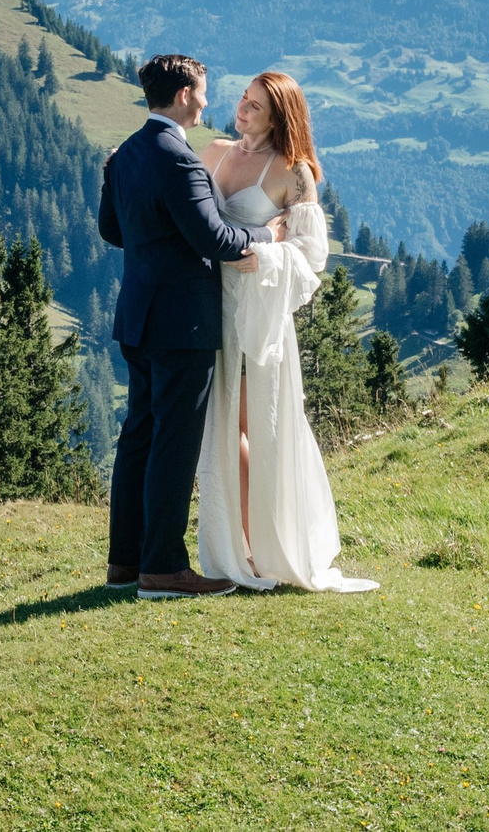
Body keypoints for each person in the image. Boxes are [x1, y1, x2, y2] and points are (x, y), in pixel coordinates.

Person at [98, 54, 277, 599]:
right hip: (182, 324)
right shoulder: (179, 159)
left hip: (138, 315)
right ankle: (163, 568)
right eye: (201, 91)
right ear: (182, 95)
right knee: (174, 443)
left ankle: (125, 562)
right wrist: (267, 237)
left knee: (139, 435)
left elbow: (113, 230)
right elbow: (214, 240)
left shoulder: (126, 152)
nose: (206, 100)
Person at [191, 71, 378, 593]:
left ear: (279, 117)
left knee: (264, 429)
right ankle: (241, 547)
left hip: (258, 313)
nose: (242, 108)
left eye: (255, 105)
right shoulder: (213, 153)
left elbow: (311, 254)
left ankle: (273, 545)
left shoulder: (294, 173)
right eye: (243, 99)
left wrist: (267, 253)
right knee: (221, 428)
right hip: (206, 307)